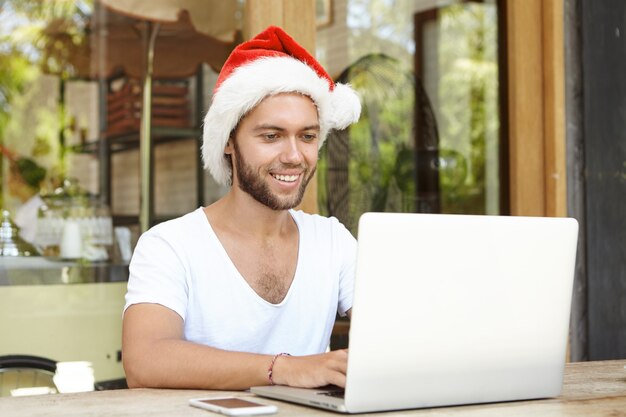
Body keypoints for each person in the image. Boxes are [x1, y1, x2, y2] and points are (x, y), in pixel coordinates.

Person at [122, 26, 361, 390]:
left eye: (308, 136)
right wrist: (283, 369)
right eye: (271, 136)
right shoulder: (170, 244)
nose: (294, 156)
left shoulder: (333, 241)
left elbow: (393, 337)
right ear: (229, 142)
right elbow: (145, 360)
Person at [0, 146, 47, 244]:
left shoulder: (38, 211)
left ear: (19, 179)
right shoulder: (27, 208)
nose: (6, 182)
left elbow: (26, 244)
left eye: (9, 177)